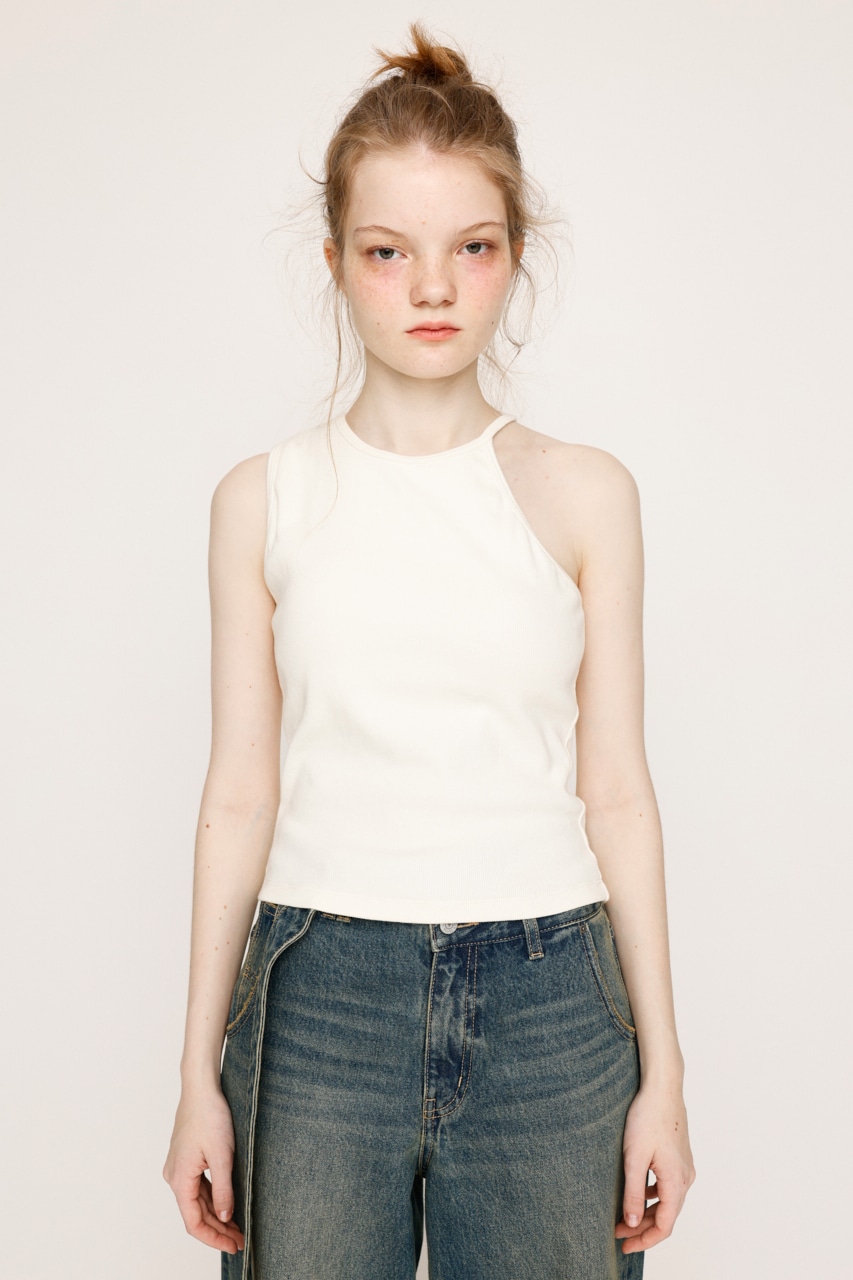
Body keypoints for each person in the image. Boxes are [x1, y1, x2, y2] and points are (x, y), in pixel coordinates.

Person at [163, 20, 695, 1280]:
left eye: (472, 246)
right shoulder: (263, 498)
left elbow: (617, 788)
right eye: (388, 251)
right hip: (317, 993)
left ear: (515, 256)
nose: (433, 288)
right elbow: (238, 790)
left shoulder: (586, 493)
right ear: (338, 262)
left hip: (552, 994)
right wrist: (194, 1074)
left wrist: (666, 1072)